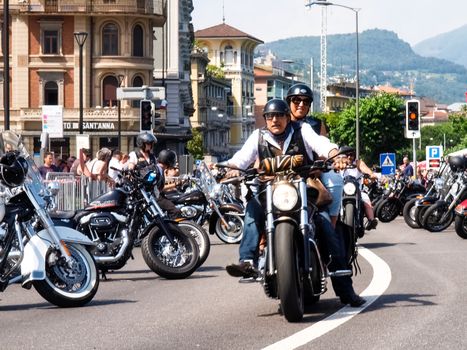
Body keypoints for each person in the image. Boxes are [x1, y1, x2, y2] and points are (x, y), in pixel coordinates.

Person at [225, 98, 365, 307]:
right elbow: (242, 157)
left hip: (302, 189)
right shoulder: (258, 136)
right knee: (253, 211)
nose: (275, 120)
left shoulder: (302, 130)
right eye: (270, 116)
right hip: (271, 192)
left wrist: (335, 155)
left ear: (287, 117)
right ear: (265, 119)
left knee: (327, 227)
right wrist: (232, 167)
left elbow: (321, 144)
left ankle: (346, 290)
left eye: (279, 115)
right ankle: (247, 261)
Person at [286, 83, 343, 228]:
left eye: (306, 101)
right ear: (288, 102)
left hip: (312, 171)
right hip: (284, 173)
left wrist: (324, 163)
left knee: (335, 180)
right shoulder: (280, 123)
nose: (301, 104)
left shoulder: (315, 124)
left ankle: (332, 224)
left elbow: (322, 145)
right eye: (296, 100)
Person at [343, 152, 379, 231]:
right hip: (341, 191)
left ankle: (371, 220)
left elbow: (365, 169)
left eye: (351, 155)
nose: (349, 157)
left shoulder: (358, 163)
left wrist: (371, 174)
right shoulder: (340, 162)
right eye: (347, 155)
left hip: (357, 190)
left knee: (366, 200)